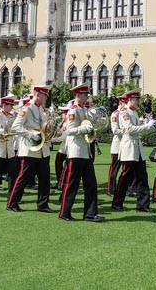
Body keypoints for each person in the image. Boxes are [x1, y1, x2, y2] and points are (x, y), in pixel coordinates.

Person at [59, 84, 103, 222]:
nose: (87, 97)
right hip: (76, 151)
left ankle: (90, 213)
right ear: (78, 95)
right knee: (72, 184)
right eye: (85, 95)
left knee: (91, 184)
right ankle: (64, 213)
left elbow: (87, 127)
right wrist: (84, 128)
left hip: (85, 151)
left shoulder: (83, 110)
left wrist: (92, 129)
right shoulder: (73, 111)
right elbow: (69, 131)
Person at [8, 85, 54, 213]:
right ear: (38, 94)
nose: (46, 99)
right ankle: (12, 203)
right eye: (44, 96)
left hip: (42, 150)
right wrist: (30, 135)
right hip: (29, 149)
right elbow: (15, 127)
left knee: (45, 178)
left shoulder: (41, 109)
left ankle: (43, 204)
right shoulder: (27, 108)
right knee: (23, 177)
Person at [111, 89, 155, 214]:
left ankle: (143, 204)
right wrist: (146, 126)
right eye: (136, 99)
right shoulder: (124, 112)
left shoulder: (134, 112)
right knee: (125, 177)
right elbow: (129, 128)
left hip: (137, 148)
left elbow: (136, 127)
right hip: (129, 147)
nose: (138, 102)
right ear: (130, 100)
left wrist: (145, 123)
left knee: (142, 177)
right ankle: (117, 203)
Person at [107, 94, 126, 196]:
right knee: (114, 169)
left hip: (125, 146)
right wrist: (127, 131)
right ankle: (111, 189)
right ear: (121, 103)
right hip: (117, 145)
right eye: (125, 103)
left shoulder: (125, 113)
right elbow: (115, 130)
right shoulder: (115, 114)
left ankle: (128, 189)